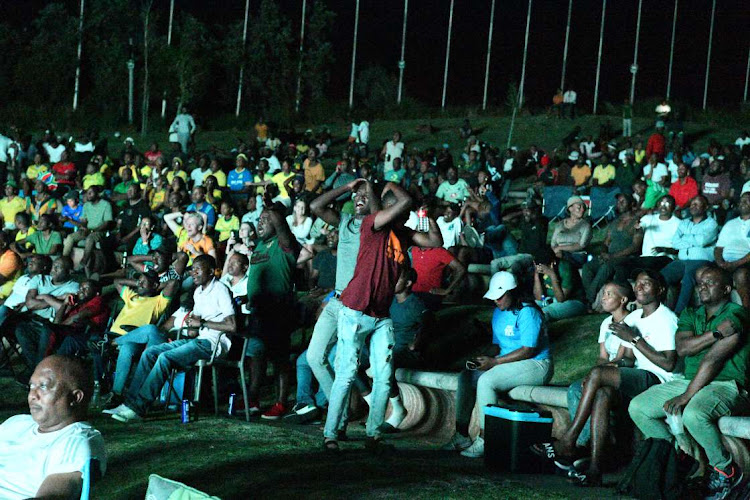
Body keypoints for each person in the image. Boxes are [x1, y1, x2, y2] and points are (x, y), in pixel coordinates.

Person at [322, 180, 441, 453]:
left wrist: (427, 215)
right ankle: (331, 434)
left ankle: (373, 434)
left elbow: (436, 241)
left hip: (380, 314)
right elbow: (405, 201)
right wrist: (389, 185)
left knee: (384, 375)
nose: (405, 214)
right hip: (355, 310)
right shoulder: (373, 226)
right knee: (346, 373)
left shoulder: (403, 234)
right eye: (397, 210)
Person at [533, 271, 678, 486]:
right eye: (637, 283)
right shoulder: (634, 318)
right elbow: (628, 359)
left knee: (597, 374)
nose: (639, 287)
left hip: (659, 380)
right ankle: (594, 468)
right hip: (637, 376)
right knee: (602, 392)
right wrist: (611, 370)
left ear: (660, 290)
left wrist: (635, 340)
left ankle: (569, 440)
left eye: (646, 284)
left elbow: (668, 364)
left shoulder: (667, 319)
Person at [629, 265, 749, 500]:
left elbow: (712, 360)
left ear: (726, 289)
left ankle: (727, 472)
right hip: (689, 381)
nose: (702, 286)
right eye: (700, 283)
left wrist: (687, 396)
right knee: (638, 407)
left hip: (726, 384)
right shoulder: (689, 314)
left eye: (710, 283)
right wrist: (715, 333)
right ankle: (680, 460)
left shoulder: (737, 314)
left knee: (693, 414)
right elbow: (683, 348)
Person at [110, 255, 234, 422]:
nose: (193, 272)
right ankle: (129, 403)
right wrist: (192, 323)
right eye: (192, 269)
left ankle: (138, 408)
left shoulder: (221, 289)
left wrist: (202, 322)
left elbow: (232, 326)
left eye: (198, 269)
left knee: (165, 358)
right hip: (197, 340)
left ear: (211, 272)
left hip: (212, 344)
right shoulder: (198, 292)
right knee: (151, 353)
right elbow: (195, 325)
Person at [443, 271, 553, 458]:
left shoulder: (529, 312)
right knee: (467, 376)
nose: (497, 301)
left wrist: (494, 362)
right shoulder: (498, 312)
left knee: (486, 381)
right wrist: (484, 358)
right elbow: (498, 345)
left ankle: (486, 439)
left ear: (513, 292)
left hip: (536, 364)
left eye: (500, 297)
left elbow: (528, 350)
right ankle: (461, 434)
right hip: (507, 363)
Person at [0, 355, 106, 499]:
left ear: (75, 398)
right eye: (31, 386)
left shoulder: (75, 442)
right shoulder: (16, 423)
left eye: (43, 386)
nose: (32, 395)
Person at [244, 205, 299, 419]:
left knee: (279, 360)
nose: (260, 223)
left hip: (278, 311)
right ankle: (253, 399)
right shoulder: (259, 246)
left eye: (265, 220)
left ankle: (280, 403)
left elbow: (281, 224)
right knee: (256, 357)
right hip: (258, 312)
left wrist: (270, 206)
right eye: (259, 220)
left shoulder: (284, 243)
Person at [581, 193, 643, 306]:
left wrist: (612, 256)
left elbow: (635, 247)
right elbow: (606, 241)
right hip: (609, 257)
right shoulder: (615, 222)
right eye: (618, 202)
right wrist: (604, 252)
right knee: (587, 267)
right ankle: (592, 298)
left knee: (607, 267)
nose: (619, 204)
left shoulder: (637, 222)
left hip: (626, 259)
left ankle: (588, 301)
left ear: (632, 203)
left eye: (623, 201)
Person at [660, 195, 719, 313]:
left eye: (697, 204)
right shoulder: (684, 223)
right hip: (681, 261)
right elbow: (675, 243)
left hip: (701, 261)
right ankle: (660, 312)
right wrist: (694, 240)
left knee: (688, 277)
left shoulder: (711, 223)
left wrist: (685, 238)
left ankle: (678, 314)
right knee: (661, 276)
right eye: (692, 204)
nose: (693, 206)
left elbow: (703, 241)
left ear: (706, 207)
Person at [61, 187, 114, 274]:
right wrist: (84, 227)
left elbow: (107, 223)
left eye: (90, 193)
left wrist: (93, 230)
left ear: (97, 194)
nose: (88, 195)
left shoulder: (106, 205)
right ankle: (64, 262)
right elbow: (83, 220)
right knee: (70, 237)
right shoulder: (86, 205)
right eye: (87, 193)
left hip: (100, 231)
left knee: (90, 238)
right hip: (88, 230)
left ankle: (83, 262)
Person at [714, 192, 750, 308]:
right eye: (741, 200)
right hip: (726, 262)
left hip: (745, 263)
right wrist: (720, 262)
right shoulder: (730, 224)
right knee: (704, 273)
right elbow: (719, 248)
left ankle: (745, 314)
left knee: (741, 275)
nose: (742, 202)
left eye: (747, 200)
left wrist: (736, 264)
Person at [533, 250, 587, 321]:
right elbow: (539, 298)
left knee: (544, 313)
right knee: (530, 309)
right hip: (550, 300)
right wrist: (536, 276)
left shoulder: (565, 268)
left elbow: (560, 298)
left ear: (552, 263)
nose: (541, 269)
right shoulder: (538, 269)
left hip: (574, 301)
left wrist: (552, 275)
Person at [551, 196, 592, 266]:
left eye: (583, 208)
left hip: (576, 255)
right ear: (570, 208)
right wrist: (557, 251)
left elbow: (581, 245)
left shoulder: (585, 225)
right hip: (559, 253)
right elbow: (553, 243)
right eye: (579, 207)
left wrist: (560, 248)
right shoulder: (560, 225)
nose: (582, 210)